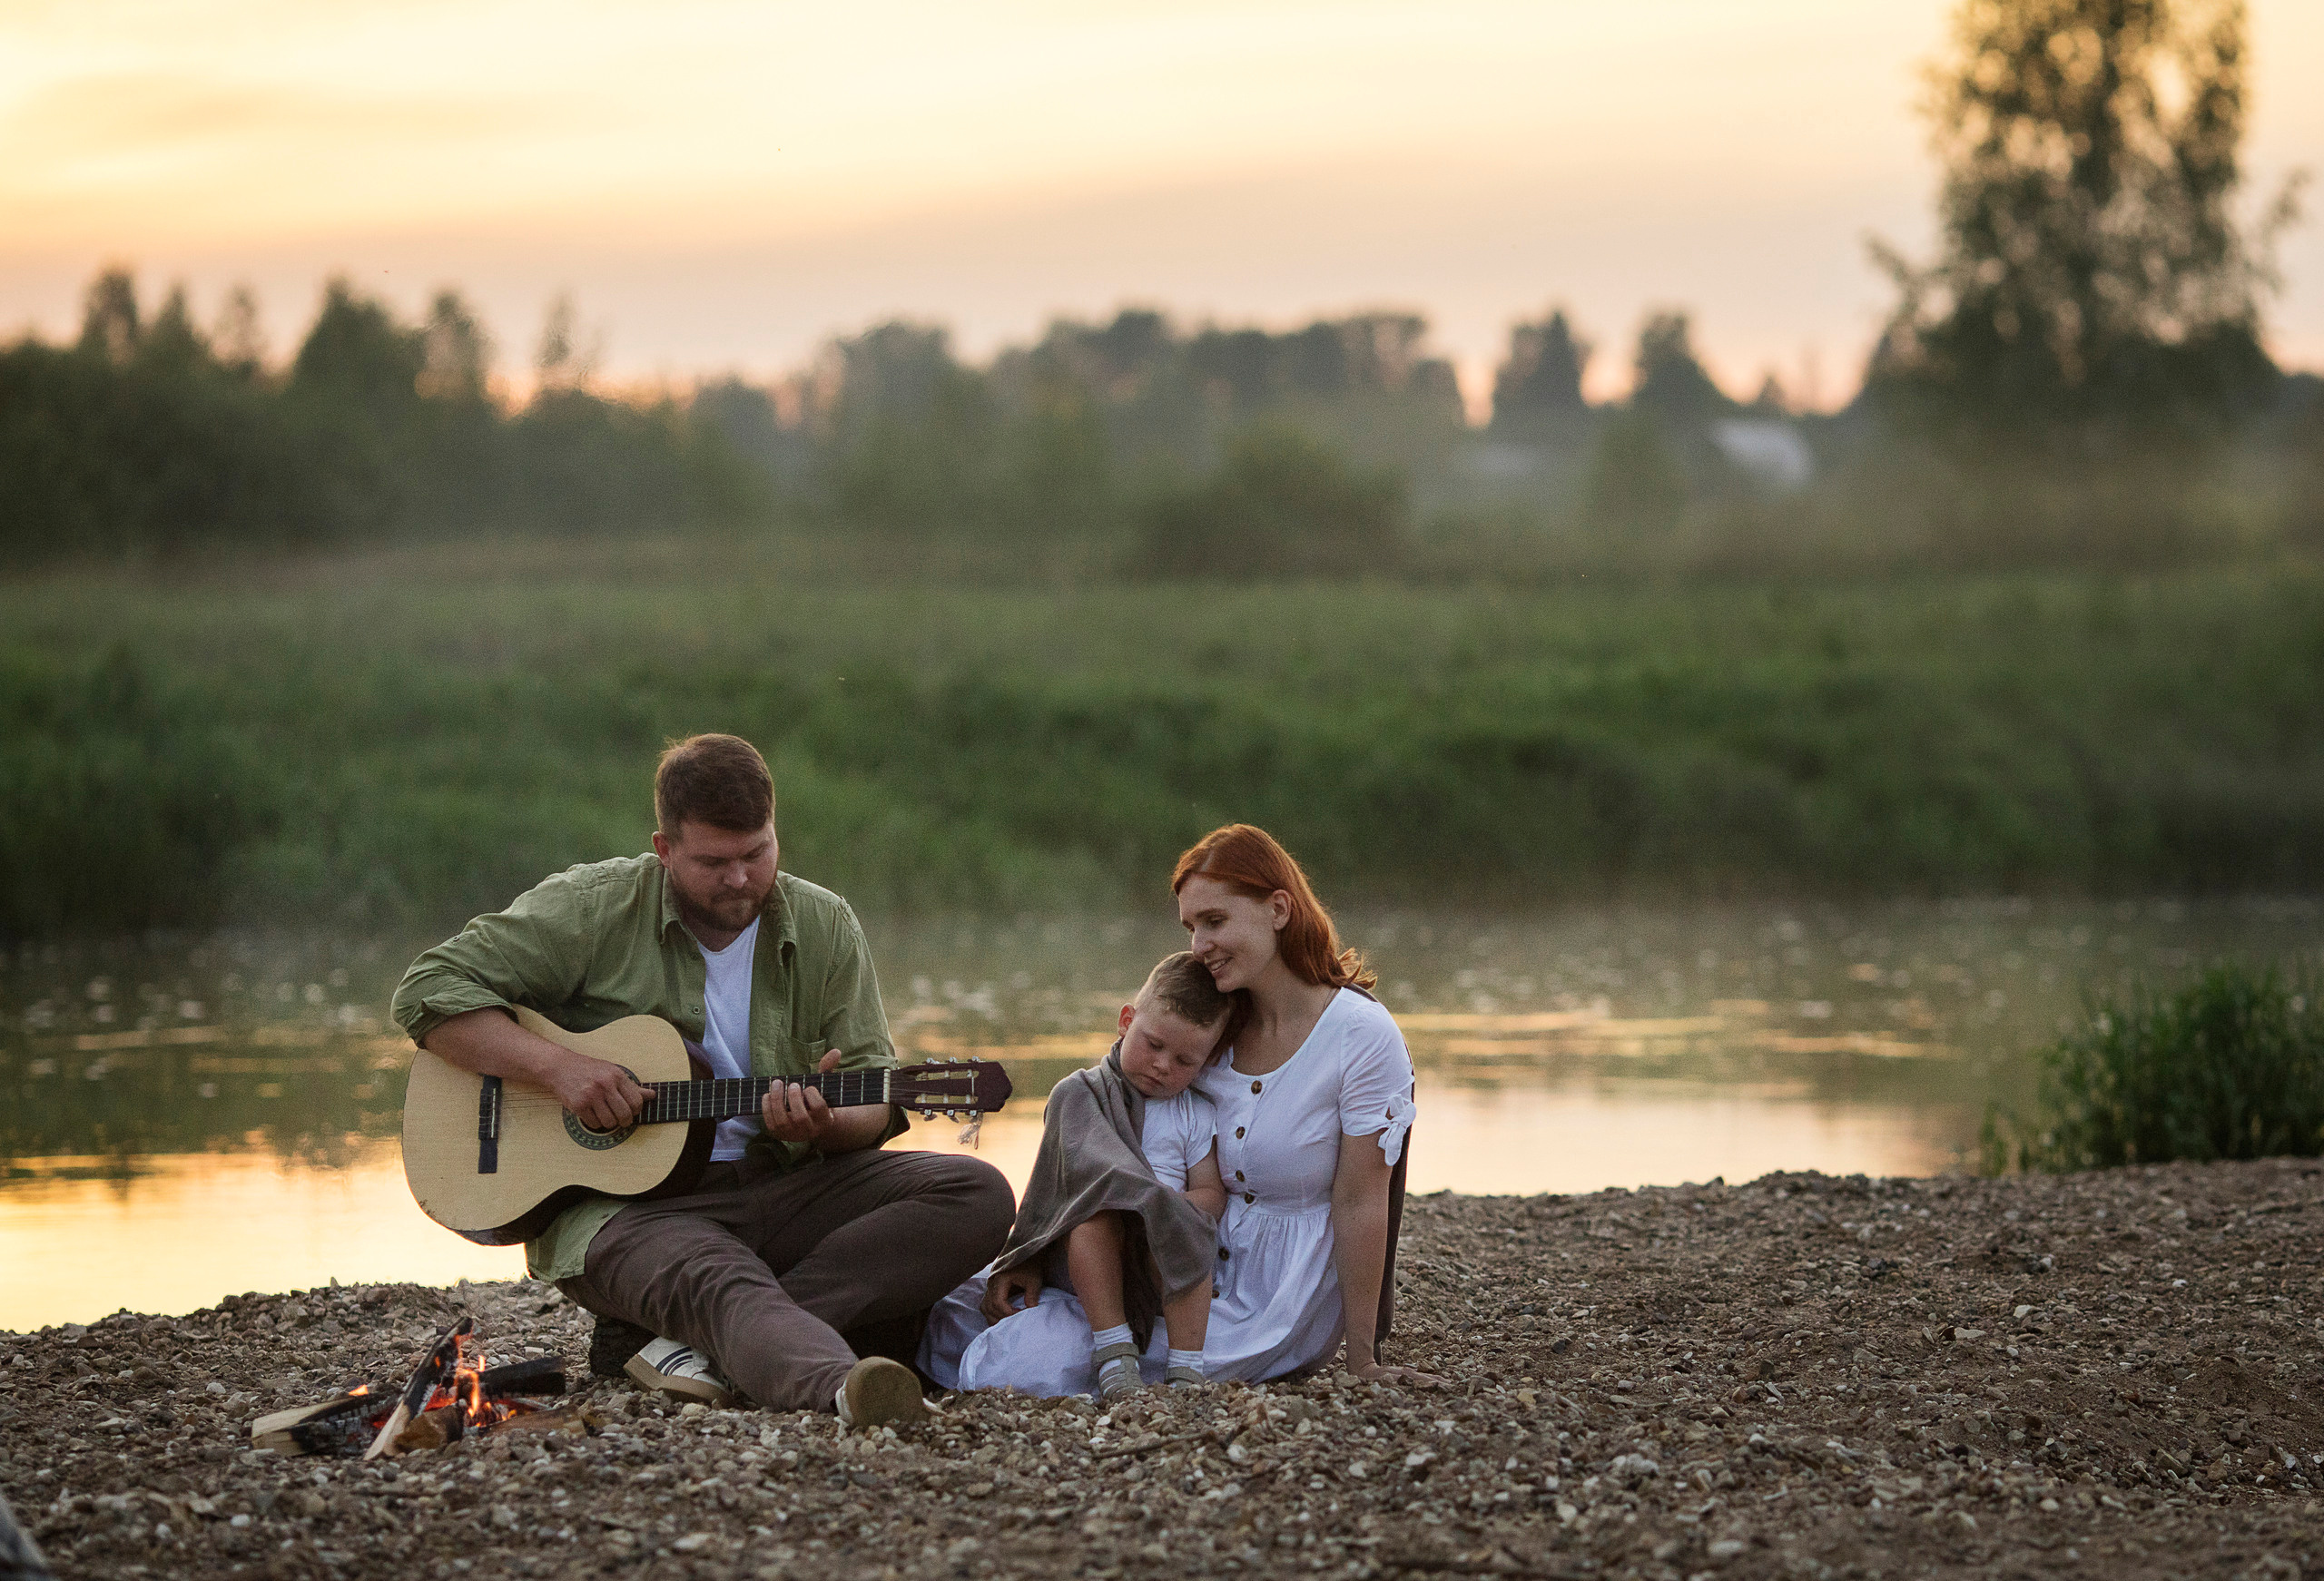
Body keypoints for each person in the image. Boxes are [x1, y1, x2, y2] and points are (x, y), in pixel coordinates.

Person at [389, 733, 1014, 1427]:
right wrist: (561, 1069)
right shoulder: (594, 907)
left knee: (975, 1192)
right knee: (720, 1278)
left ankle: (699, 1347)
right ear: (663, 850)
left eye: (758, 853)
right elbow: (428, 990)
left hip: (783, 1187)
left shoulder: (825, 923)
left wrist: (828, 1124)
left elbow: (872, 1092)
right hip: (625, 1216)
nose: (742, 879)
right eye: (714, 862)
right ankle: (846, 1389)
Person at [1174, 823, 1440, 1386]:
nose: (1198, 946)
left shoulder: (1360, 1035)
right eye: (1192, 927)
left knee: (1043, 1353)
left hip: (1282, 1305)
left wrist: (1363, 1358)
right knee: (1002, 1308)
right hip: (1182, 1278)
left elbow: (1364, 1199)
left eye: (1215, 921)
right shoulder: (1209, 1027)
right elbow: (1111, 1104)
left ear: (1278, 909)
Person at [921, 953, 1234, 1398]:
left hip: (1158, 1251)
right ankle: (1115, 1353)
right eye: (1154, 1045)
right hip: (1089, 1252)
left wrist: (1164, 1206)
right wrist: (1025, 1255)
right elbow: (1051, 1186)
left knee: (1190, 1227)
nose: (1164, 1066)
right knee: (1093, 1216)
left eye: (1186, 1060)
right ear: (1126, 1021)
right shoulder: (1078, 1094)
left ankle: (1187, 1368)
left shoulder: (1195, 1114)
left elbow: (1211, 1193)